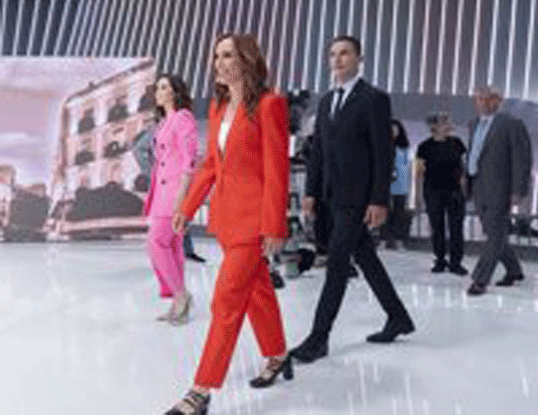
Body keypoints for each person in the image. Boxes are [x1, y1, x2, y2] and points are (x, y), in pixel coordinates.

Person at [166, 33, 292, 414]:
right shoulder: (219, 106)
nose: (218, 63)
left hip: (253, 222)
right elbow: (211, 166)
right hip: (226, 219)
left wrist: (274, 225)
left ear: (246, 60)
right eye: (216, 56)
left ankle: (201, 391)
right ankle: (278, 355)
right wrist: (187, 206)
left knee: (226, 300)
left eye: (227, 55)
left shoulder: (270, 105)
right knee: (258, 291)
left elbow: (277, 170)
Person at [290, 36, 415, 366]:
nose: (337, 59)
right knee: (366, 257)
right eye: (332, 54)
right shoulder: (327, 101)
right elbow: (318, 152)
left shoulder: (374, 99)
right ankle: (398, 317)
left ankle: (318, 338)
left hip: (358, 197)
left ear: (359, 58)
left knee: (337, 263)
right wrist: (311, 192)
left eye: (344, 53)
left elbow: (383, 153)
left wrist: (379, 199)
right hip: (331, 195)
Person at [142, 74, 198, 325]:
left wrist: (182, 197)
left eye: (164, 87)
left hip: (174, 191)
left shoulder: (183, 118)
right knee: (173, 246)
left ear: (175, 92)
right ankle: (179, 301)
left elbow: (189, 161)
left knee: (156, 242)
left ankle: (181, 295)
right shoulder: (164, 122)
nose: (158, 91)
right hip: (161, 192)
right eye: (157, 87)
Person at [466, 86, 532, 295]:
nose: (484, 103)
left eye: (489, 99)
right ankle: (514, 270)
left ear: (498, 101)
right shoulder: (473, 123)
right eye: (480, 99)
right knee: (494, 233)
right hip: (478, 186)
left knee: (494, 236)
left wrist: (518, 190)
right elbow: (475, 154)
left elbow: (522, 159)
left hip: (501, 189)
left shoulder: (512, 124)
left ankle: (480, 279)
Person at [415, 112, 468, 275]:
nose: (448, 124)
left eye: (448, 121)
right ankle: (439, 259)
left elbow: (462, 167)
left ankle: (456, 261)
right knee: (437, 226)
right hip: (433, 190)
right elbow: (419, 173)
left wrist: (465, 189)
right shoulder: (424, 147)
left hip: (454, 190)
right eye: (444, 121)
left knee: (456, 227)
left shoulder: (457, 143)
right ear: (434, 126)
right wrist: (418, 195)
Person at [384, 119, 411, 250]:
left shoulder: (404, 147)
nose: (394, 132)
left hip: (401, 185)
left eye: (396, 129)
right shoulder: (383, 146)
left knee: (399, 213)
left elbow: (406, 166)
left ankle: (398, 238)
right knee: (386, 212)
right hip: (386, 185)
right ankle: (385, 238)